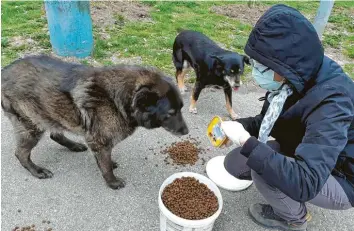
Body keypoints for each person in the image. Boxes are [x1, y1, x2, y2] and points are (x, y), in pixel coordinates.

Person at [207, 4, 354, 231]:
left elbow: (307, 181)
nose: (256, 72)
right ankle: (284, 184)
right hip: (310, 149)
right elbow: (266, 120)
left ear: (284, 65)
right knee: (235, 163)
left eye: (262, 66)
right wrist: (236, 126)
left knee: (263, 170)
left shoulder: (332, 101)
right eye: (255, 62)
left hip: (342, 175)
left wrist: (248, 143)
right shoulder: (293, 77)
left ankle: (294, 219)